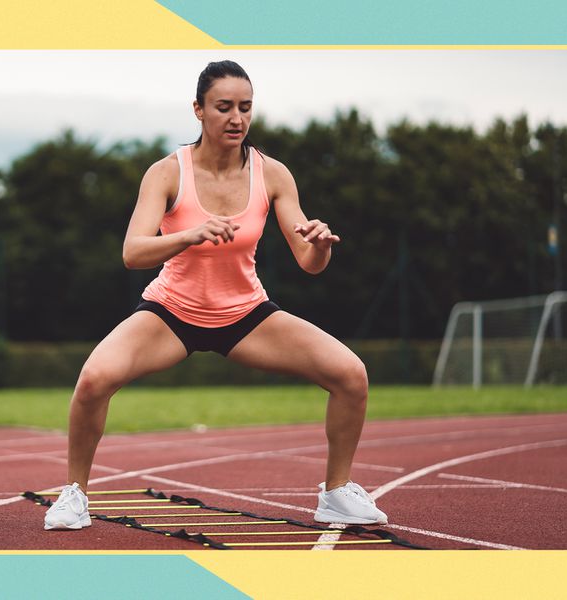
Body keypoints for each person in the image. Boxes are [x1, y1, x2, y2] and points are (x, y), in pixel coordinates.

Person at [44, 60, 387, 530]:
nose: (236, 118)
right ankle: (74, 495)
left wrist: (321, 247)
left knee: (351, 374)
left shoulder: (273, 175)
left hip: (246, 314)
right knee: (93, 380)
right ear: (199, 110)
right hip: (171, 312)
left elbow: (307, 264)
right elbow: (133, 252)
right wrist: (190, 234)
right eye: (223, 107)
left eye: (245, 108)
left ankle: (335, 494)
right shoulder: (166, 173)